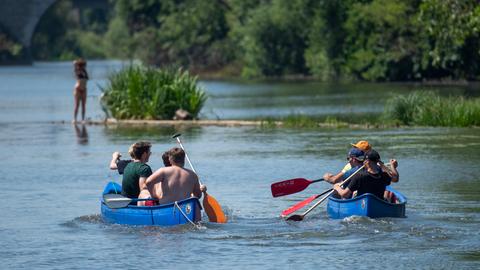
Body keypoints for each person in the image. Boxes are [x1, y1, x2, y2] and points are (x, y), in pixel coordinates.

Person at [73, 58, 88, 123]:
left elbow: (86, 79)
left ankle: (83, 119)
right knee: (77, 105)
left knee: (83, 105)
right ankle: (74, 119)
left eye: (84, 65)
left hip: (84, 89)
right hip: (78, 89)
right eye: (83, 65)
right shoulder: (77, 70)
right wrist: (78, 61)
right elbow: (74, 62)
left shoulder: (85, 71)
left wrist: (83, 62)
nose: (84, 66)